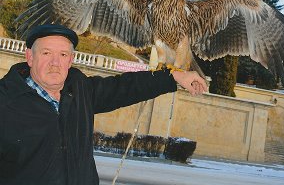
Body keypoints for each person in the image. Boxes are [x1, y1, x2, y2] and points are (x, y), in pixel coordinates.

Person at [0, 24, 207, 185]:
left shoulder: (80, 91)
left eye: (63, 55)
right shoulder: (5, 101)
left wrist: (174, 77)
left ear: (71, 60)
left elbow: (125, 87)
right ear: (29, 57)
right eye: (46, 53)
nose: (55, 62)